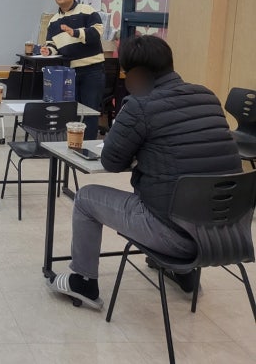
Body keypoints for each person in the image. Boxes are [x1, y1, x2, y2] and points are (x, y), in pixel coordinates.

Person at [48, 36, 242, 310]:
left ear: (137, 74)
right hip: (228, 232)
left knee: (86, 198)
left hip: (176, 237)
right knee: (178, 190)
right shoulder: (207, 95)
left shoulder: (139, 105)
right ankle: (185, 273)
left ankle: (83, 281)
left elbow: (111, 161)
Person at [40, 0, 105, 139]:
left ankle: (87, 146)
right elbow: (52, 44)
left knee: (90, 111)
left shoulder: (87, 10)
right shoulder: (54, 21)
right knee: (70, 111)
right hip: (69, 73)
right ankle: (72, 144)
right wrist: (48, 50)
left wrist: (75, 32)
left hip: (92, 69)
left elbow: (97, 33)